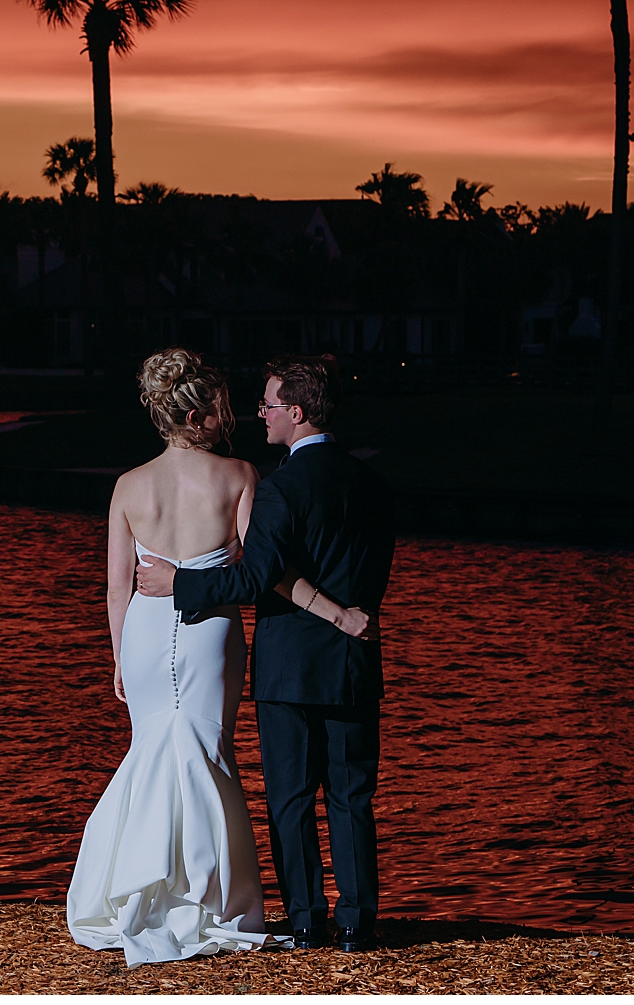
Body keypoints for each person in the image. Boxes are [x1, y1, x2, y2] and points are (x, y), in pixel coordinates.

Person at [66, 349, 370, 967]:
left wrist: (120, 656)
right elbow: (270, 573)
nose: (235, 415)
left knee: (152, 744)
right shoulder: (238, 477)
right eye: (225, 407)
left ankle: (139, 887)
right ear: (201, 413)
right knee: (207, 750)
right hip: (210, 632)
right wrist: (333, 611)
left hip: (147, 634)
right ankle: (212, 898)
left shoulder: (129, 486)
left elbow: (116, 587)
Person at [135, 353, 393, 953]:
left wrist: (182, 584)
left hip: (289, 669)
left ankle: (306, 920)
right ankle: (358, 923)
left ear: (297, 413)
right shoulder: (373, 483)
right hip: (355, 657)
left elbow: (257, 581)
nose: (262, 414)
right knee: (352, 797)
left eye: (271, 405)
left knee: (292, 798)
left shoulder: (282, 489)